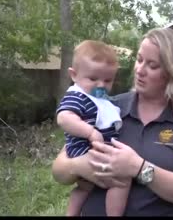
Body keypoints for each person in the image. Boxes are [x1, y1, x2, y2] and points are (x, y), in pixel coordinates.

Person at [52, 28, 173, 216]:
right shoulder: (109, 108)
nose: (140, 70)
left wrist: (139, 168)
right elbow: (59, 171)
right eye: (139, 60)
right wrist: (79, 165)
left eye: (152, 65)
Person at [56, 40, 131, 216]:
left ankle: (72, 214)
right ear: (74, 75)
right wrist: (90, 132)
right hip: (84, 151)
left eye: (107, 80)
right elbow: (63, 118)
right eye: (93, 78)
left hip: (89, 152)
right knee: (121, 181)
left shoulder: (101, 100)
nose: (101, 85)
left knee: (84, 187)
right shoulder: (78, 96)